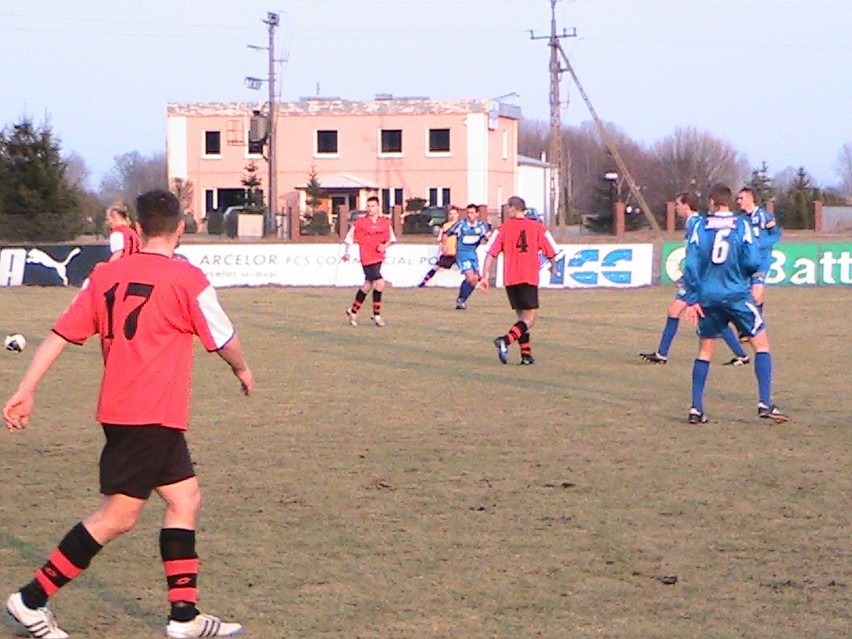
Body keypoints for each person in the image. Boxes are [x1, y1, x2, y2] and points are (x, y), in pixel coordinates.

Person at [3, 189, 254, 639]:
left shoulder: (105, 275)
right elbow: (224, 338)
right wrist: (242, 368)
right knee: (117, 517)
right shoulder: (187, 280)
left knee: (184, 499)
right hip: (149, 414)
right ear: (181, 227)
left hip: (130, 412)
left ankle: (184, 617)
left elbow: (60, 334)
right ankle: (30, 600)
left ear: (136, 228)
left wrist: (26, 389)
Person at [681, 183, 788, 425]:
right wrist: (753, 278)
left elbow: (691, 263)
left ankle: (696, 408)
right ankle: (764, 403)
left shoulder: (700, 226)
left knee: (705, 351)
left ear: (711, 202)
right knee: (761, 345)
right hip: (737, 295)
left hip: (708, 297)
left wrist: (692, 299)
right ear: (729, 202)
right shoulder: (742, 225)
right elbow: (752, 258)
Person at [640, 192, 750, 366]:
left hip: (701, 282)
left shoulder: (696, 224)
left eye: (677, 204)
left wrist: (688, 279)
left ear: (686, 205)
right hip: (701, 280)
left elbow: (698, 255)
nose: (676, 207)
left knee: (678, 312)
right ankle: (741, 355)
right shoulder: (694, 223)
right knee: (703, 316)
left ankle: (662, 354)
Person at [481, 196, 558, 365]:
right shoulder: (538, 227)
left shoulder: (502, 229)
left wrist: (485, 275)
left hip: (510, 279)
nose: (507, 211)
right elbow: (552, 249)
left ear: (513, 208)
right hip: (528, 277)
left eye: (508, 207)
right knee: (530, 319)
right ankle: (506, 340)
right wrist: (553, 265)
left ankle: (526, 355)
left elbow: (490, 253)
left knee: (522, 317)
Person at [342, 195, 396, 327]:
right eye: (368, 206)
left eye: (372, 206)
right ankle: (376, 315)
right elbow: (350, 236)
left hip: (378, 256)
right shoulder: (361, 222)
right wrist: (346, 252)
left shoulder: (385, 222)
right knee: (380, 282)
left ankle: (353, 311)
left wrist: (385, 245)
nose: (370, 209)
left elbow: (391, 239)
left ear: (378, 207)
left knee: (367, 286)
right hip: (366, 257)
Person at [737, 187, 782, 315]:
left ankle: (756, 326)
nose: (738, 201)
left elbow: (776, 235)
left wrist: (759, 244)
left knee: (756, 295)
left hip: (761, 262)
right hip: (745, 262)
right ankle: (754, 326)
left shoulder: (764, 216)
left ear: (750, 199)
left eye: (741, 198)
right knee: (747, 298)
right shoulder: (740, 219)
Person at [444, 203, 491, 309]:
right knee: (470, 278)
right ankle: (461, 300)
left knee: (474, 279)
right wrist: (445, 247)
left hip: (473, 254)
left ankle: (461, 300)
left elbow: (489, 238)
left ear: (477, 214)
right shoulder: (461, 224)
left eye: (472, 213)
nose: (469, 215)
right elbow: (446, 234)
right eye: (468, 213)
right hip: (462, 254)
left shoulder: (482, 226)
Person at [416, 205, 460, 287]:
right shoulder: (445, 226)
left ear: (458, 215)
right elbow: (441, 240)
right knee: (435, 267)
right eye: (451, 214)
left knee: (468, 270)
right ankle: (423, 283)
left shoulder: (461, 226)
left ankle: (478, 282)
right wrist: (441, 250)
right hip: (447, 252)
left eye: (454, 214)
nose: (452, 216)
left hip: (459, 253)